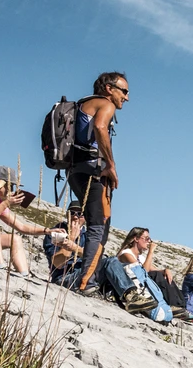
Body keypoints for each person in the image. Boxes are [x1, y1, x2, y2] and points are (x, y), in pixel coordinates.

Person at [70, 72, 130, 292]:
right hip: (93, 170)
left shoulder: (83, 104)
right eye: (123, 91)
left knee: (96, 223)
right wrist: (111, 165)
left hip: (74, 170)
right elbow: (100, 127)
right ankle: (86, 282)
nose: (127, 97)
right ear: (109, 88)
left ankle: (86, 278)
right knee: (99, 225)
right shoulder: (105, 104)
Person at [116, 227, 188, 318]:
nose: (149, 241)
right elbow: (142, 273)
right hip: (134, 284)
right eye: (146, 238)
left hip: (143, 284)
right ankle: (175, 306)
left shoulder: (140, 257)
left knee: (163, 275)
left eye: (149, 239)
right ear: (136, 239)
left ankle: (180, 306)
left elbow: (153, 269)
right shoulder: (126, 253)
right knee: (156, 275)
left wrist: (165, 271)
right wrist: (151, 252)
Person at [44, 214, 86, 288]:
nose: (75, 217)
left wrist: (76, 248)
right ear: (67, 214)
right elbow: (58, 264)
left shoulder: (88, 235)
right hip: (63, 277)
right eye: (72, 213)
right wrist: (72, 237)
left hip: (83, 273)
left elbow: (96, 258)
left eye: (79, 214)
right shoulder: (56, 232)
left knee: (110, 262)